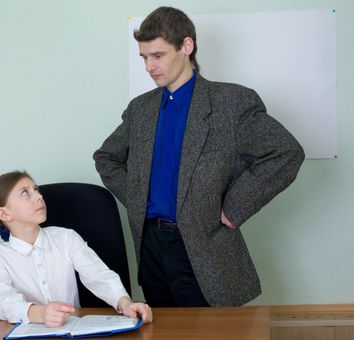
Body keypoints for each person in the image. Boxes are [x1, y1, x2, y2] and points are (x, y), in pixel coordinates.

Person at [93, 6, 305, 307]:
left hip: (203, 246)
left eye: (158, 55)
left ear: (186, 46)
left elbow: (285, 152)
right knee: (164, 335)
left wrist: (233, 209)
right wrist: (138, 198)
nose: (149, 66)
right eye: (144, 57)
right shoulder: (141, 109)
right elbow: (106, 157)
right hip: (150, 246)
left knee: (212, 337)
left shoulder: (231, 103)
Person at [0, 170, 152, 326]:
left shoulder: (66, 238)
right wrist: (40, 313)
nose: (39, 197)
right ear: (4, 214)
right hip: (26, 338)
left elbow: (97, 274)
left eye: (36, 190)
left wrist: (125, 303)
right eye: (25, 193)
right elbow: (1, 298)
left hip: (72, 331)